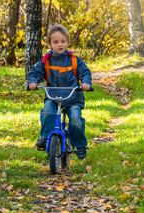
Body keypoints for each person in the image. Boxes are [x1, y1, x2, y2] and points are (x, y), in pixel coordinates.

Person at [27, 24, 92, 159]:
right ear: (50, 44)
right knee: (47, 111)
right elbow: (35, 72)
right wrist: (33, 82)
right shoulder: (46, 61)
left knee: (75, 120)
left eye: (63, 41)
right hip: (53, 97)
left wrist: (86, 83)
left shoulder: (74, 60)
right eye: (55, 42)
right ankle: (45, 138)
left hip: (72, 98)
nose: (60, 44)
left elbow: (85, 72)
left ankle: (80, 144)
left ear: (67, 42)